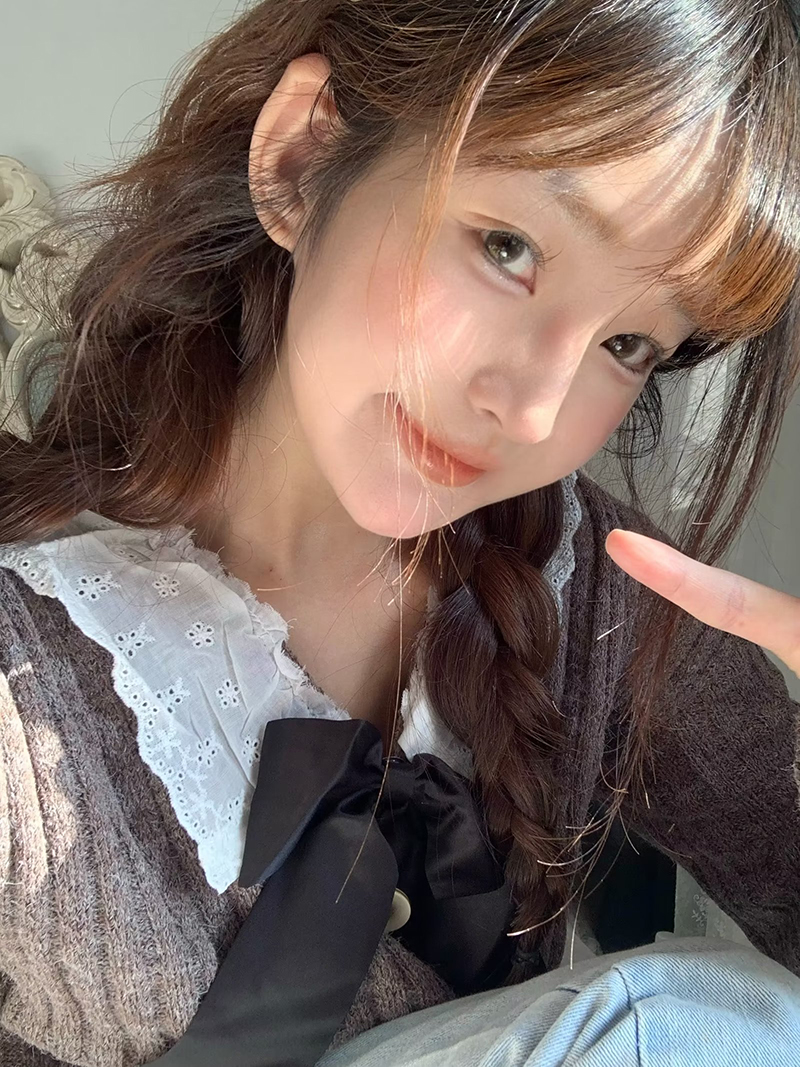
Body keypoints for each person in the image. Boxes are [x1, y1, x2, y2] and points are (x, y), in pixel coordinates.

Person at [1, 0, 800, 1064]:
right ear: (302, 159)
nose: (531, 410)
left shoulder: (599, 586)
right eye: (507, 247)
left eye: (627, 343)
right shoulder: (29, 686)